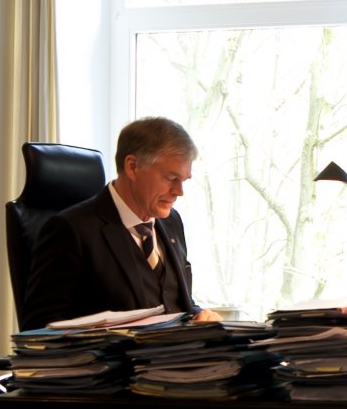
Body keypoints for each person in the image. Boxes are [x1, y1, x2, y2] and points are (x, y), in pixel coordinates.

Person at [22, 117, 222, 331]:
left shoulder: (172, 222)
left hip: (177, 352)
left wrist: (200, 316)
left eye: (183, 180)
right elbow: (39, 329)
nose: (179, 191)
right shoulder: (70, 230)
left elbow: (175, 302)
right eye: (171, 178)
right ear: (132, 167)